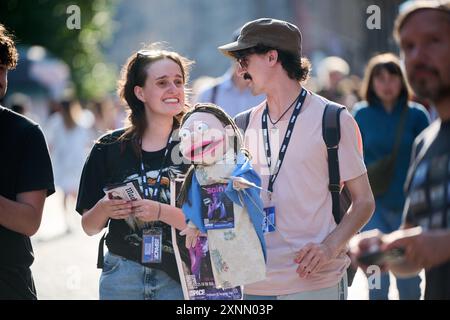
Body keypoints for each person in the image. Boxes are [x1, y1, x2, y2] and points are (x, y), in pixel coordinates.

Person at [218, 18, 375, 299]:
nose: (240, 70)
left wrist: (329, 248)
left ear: (271, 57)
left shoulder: (333, 120)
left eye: (244, 59)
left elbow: (364, 202)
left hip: (314, 284)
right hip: (253, 285)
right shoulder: (243, 124)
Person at [76, 44, 193, 300]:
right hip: (121, 276)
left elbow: (211, 222)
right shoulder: (108, 147)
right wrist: (104, 208)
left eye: (178, 81)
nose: (174, 89)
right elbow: (89, 226)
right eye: (162, 83)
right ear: (140, 92)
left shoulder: (199, 147)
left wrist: (159, 211)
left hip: (180, 278)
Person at [352, 0, 450, 300]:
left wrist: (443, 244)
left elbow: (435, 245)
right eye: (408, 46)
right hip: (380, 206)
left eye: (434, 40)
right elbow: (411, 256)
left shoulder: (415, 118)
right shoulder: (427, 143)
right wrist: (382, 252)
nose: (418, 56)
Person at [353, 53, 430, 299]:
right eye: (381, 78)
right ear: (371, 83)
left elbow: (429, 161)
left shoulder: (417, 115)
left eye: (393, 78)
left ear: (402, 80)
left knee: (408, 276)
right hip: (373, 207)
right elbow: (351, 157)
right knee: (377, 276)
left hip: (409, 208)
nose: (387, 84)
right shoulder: (361, 114)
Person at [0, 24, 55, 300]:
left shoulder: (26, 134)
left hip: (8, 283)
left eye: (2, 68)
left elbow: (29, 221)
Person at [46, 99, 91, 232]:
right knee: (75, 192)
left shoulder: (56, 121)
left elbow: (50, 143)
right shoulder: (81, 120)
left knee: (66, 193)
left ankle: (68, 220)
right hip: (76, 162)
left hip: (64, 162)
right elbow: (86, 142)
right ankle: (75, 217)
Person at [195, 31, 265, 117]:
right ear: (232, 55)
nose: (244, 61)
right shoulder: (210, 94)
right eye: (240, 55)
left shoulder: (266, 95)